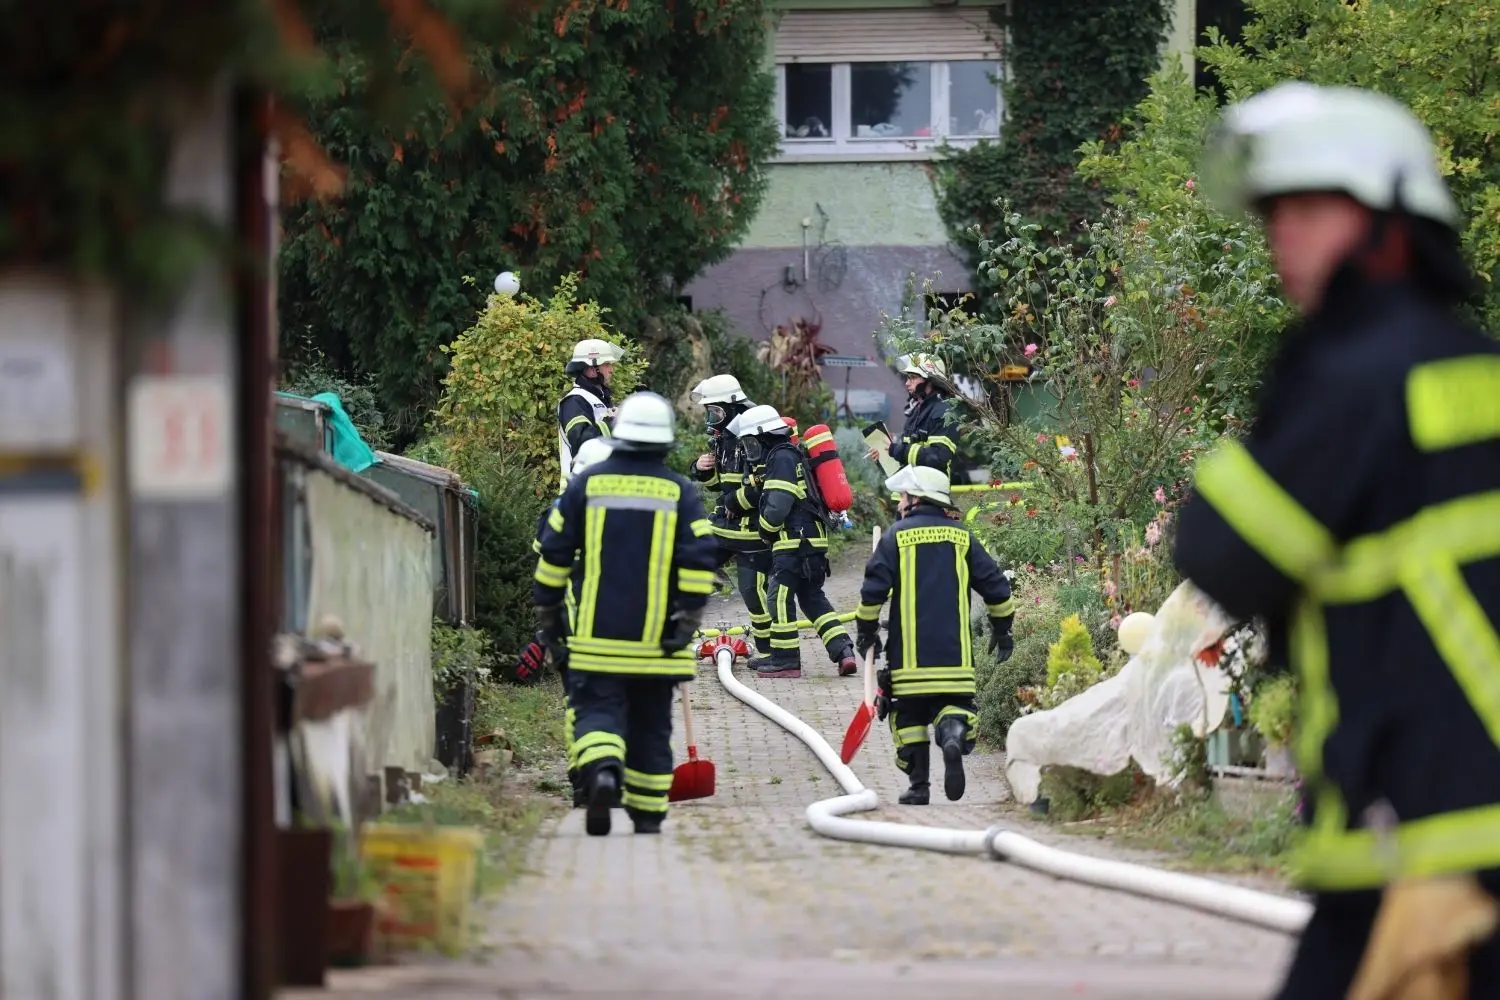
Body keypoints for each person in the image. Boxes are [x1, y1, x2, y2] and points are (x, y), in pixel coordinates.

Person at [1177, 81, 1500, 999]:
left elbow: (1221, 552)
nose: (1282, 233)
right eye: (1276, 211)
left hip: (1432, 829)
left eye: (1312, 209)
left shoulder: (1357, 374)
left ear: (1390, 226)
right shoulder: (1479, 368)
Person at [533, 391, 717, 837]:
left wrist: (551, 619)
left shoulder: (586, 486)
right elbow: (700, 562)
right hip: (658, 646)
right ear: (665, 442)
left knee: (596, 712)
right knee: (652, 727)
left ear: (619, 435)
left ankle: (601, 774)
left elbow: (553, 555)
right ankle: (649, 817)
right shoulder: (680, 491)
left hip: (596, 641)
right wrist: (686, 622)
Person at [854, 466, 1013, 804]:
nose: (899, 503)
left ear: (915, 498)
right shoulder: (963, 538)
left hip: (908, 664)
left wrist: (867, 632)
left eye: (902, 496)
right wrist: (1002, 628)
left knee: (907, 717)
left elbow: (872, 594)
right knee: (952, 705)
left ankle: (919, 787)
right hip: (955, 662)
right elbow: (997, 588)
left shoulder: (895, 537)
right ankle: (952, 732)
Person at [517, 436, 615, 807]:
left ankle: (584, 781)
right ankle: (612, 769)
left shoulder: (560, 512)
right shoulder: (635, 512)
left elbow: (546, 572)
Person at [730, 403, 855, 679]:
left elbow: (777, 506)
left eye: (751, 442)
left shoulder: (781, 457)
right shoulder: (791, 454)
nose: (751, 449)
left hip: (793, 543)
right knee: (812, 599)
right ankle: (843, 650)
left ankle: (785, 660)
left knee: (779, 597)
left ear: (764, 435)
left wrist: (764, 530)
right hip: (812, 542)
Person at [688, 374, 775, 656]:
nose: (712, 418)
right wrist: (701, 469)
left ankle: (769, 650)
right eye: (710, 412)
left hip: (753, 532)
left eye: (716, 411)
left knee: (752, 592)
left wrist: (734, 500)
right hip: (725, 528)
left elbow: (766, 485)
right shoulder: (722, 438)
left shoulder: (758, 434)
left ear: (734, 405)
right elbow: (720, 484)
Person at [875, 353, 960, 480]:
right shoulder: (917, 412)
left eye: (913, 377)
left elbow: (938, 458)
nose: (907, 383)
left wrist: (897, 450)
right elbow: (905, 461)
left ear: (931, 380)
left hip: (929, 495)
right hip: (907, 495)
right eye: (907, 378)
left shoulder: (944, 413)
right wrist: (885, 455)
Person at [556, 338, 625, 492]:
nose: (611, 370)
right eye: (607, 364)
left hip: (600, 489)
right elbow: (581, 442)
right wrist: (611, 422)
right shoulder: (574, 401)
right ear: (592, 368)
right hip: (577, 493)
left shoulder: (598, 398)